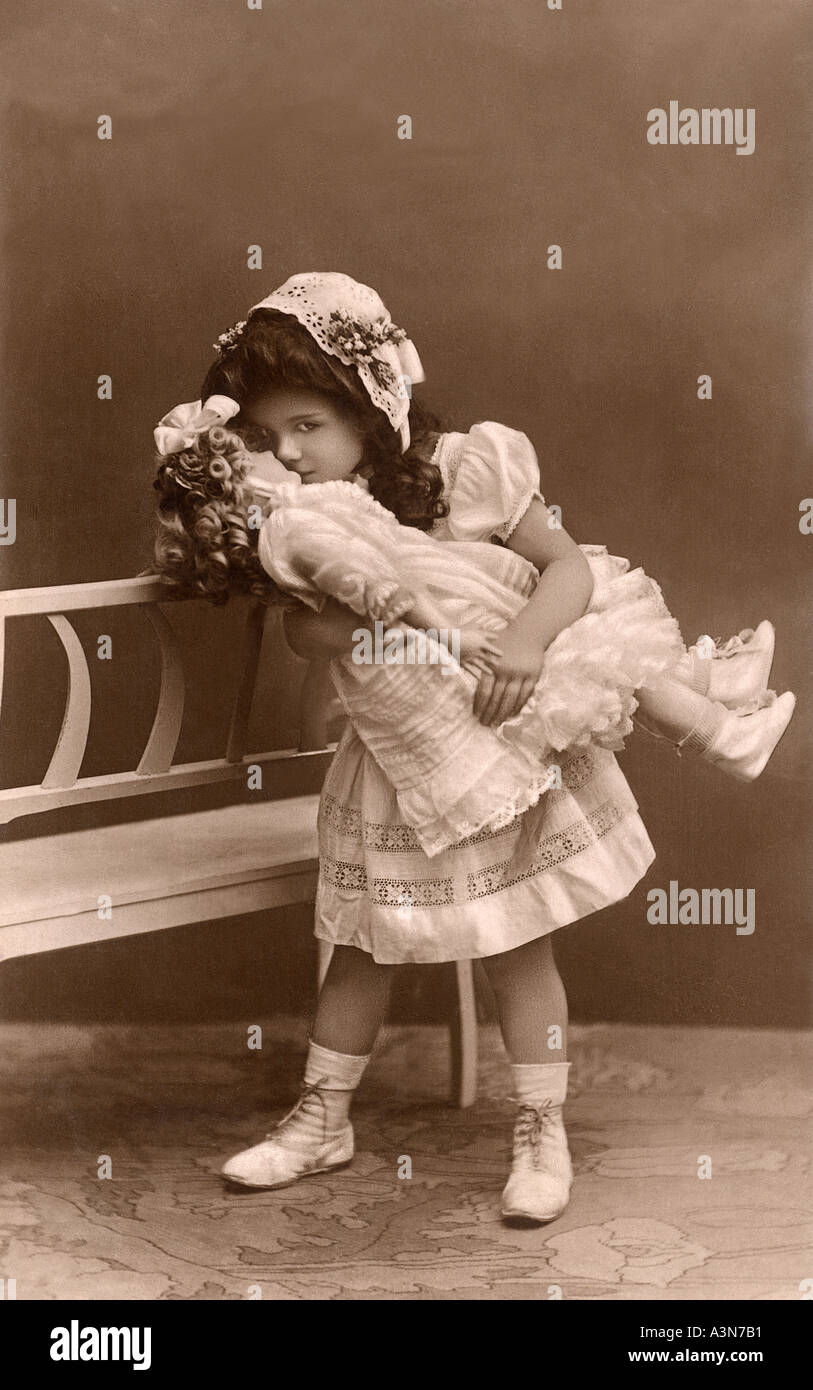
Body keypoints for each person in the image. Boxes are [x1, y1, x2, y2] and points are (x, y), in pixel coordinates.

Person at [150, 272, 795, 1224]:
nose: (288, 453)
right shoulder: (308, 519)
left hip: (504, 742)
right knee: (361, 942)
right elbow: (311, 641)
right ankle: (322, 1117)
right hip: (394, 752)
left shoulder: (461, 466)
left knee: (515, 941)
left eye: (306, 428)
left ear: (370, 407)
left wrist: (524, 641)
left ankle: (540, 1129)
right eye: (268, 434)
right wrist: (368, 603)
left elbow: (568, 568)